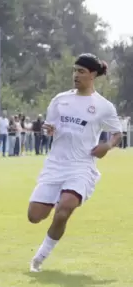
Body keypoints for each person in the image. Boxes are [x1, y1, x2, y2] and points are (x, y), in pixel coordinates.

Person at [28, 54, 122, 273]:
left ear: (93, 74)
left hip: (81, 166)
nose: (76, 75)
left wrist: (106, 146)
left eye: (81, 71)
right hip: (55, 165)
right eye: (75, 70)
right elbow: (49, 126)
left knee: (65, 210)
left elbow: (117, 134)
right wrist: (48, 129)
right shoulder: (60, 100)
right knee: (34, 217)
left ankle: (39, 258)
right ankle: (54, 201)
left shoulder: (103, 106)